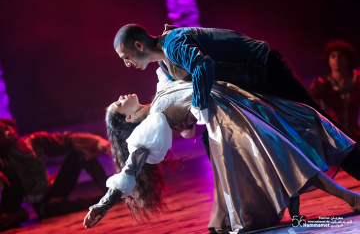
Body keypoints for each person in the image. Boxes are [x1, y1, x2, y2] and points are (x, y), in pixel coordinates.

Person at [112, 24, 360, 216]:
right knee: (217, 142)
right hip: (249, 87)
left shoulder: (173, 42)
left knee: (317, 121)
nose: (126, 63)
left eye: (125, 56)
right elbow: (182, 94)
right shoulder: (165, 66)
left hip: (265, 68)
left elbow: (202, 65)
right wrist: (188, 121)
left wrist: (198, 106)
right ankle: (234, 209)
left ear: (139, 45)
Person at [84, 68, 360, 233]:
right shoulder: (151, 124)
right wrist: (104, 202)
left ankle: (310, 205)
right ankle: (350, 198)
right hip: (232, 122)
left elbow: (167, 65)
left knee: (301, 130)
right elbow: (131, 166)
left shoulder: (159, 90)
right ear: (129, 120)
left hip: (245, 104)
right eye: (119, 106)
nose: (120, 98)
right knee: (284, 157)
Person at [0, 118, 110, 231]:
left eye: (6, 129)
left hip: (52, 189)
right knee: (53, 209)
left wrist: (98, 141)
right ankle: (94, 202)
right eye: (1, 133)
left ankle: (109, 192)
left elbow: (67, 140)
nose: (7, 133)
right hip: (42, 203)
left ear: (12, 127)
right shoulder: (3, 156)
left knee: (80, 153)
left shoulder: (34, 140)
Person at [310, 40, 360, 143]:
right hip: (333, 138)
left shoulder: (358, 80)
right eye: (333, 56)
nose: (337, 59)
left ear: (348, 60)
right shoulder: (321, 84)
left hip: (356, 136)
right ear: (328, 61)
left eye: (340, 56)